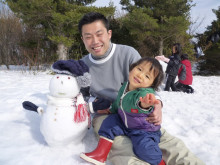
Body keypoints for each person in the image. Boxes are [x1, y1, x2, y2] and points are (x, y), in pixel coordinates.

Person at [79, 12, 205, 165]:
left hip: (138, 113)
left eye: (99, 34)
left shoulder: (128, 53)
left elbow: (151, 83)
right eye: (88, 36)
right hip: (108, 115)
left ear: (109, 33)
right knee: (120, 144)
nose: (95, 41)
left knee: (166, 143)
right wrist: (96, 103)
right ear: (82, 39)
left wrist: (156, 104)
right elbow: (80, 97)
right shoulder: (81, 66)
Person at [80, 57, 165, 165]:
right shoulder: (125, 85)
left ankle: (160, 162)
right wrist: (111, 110)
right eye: (139, 69)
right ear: (132, 68)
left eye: (147, 76)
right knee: (109, 123)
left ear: (151, 84)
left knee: (144, 149)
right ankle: (100, 154)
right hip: (125, 122)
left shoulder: (144, 93)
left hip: (143, 129)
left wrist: (144, 104)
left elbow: (140, 104)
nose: (140, 75)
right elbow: (118, 102)